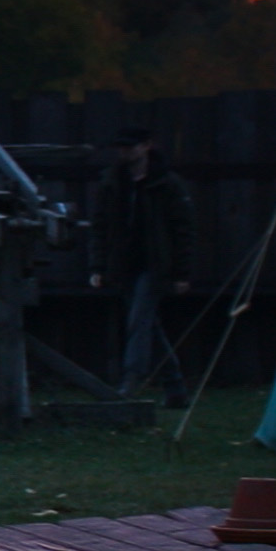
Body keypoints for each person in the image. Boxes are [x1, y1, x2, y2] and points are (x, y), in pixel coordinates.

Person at [90, 128, 196, 406]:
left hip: (155, 264)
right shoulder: (112, 183)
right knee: (147, 325)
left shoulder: (167, 183)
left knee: (139, 321)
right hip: (124, 264)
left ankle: (131, 380)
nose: (125, 151)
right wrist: (99, 266)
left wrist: (182, 272)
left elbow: (183, 231)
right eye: (121, 147)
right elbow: (100, 227)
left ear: (147, 146)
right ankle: (175, 388)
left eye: (131, 146)